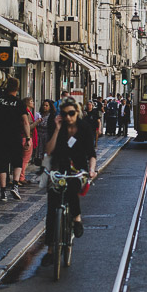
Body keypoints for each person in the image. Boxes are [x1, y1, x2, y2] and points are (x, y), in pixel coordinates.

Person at [42, 98, 97, 266]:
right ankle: (51, 250)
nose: (68, 117)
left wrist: (92, 170)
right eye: (65, 114)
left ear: (77, 112)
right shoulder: (57, 126)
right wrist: (58, 129)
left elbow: (91, 153)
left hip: (77, 169)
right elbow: (49, 150)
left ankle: (77, 218)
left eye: (71, 113)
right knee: (52, 206)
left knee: (72, 188)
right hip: (59, 166)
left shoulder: (85, 128)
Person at [0, 77, 31, 201]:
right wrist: (28, 138)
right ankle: (15, 186)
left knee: (2, 163)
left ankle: (3, 192)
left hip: (1, 137)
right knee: (17, 161)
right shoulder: (19, 103)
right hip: (15, 136)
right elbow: (26, 122)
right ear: (17, 88)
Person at [34, 99, 56, 166]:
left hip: (46, 135)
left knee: (45, 151)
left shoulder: (51, 116)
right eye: (44, 105)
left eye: (47, 105)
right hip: (38, 135)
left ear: (50, 107)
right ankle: (39, 162)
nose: (45, 107)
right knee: (39, 151)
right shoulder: (39, 114)